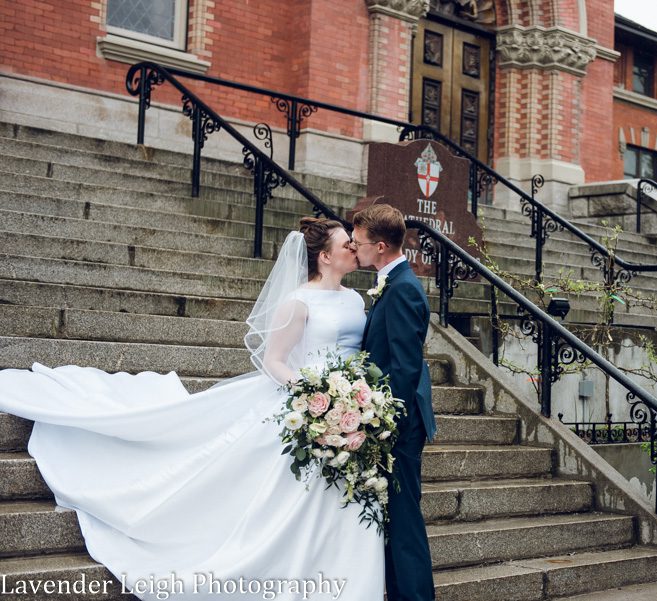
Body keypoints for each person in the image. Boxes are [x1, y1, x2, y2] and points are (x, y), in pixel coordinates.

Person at [0, 217, 384, 600]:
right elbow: (274, 361)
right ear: (324, 256)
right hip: (306, 405)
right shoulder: (299, 301)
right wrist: (313, 395)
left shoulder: (355, 299)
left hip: (349, 409)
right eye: (346, 244)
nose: (354, 248)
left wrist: (353, 398)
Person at [351, 204, 436, 601]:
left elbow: (404, 367)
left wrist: (386, 426)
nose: (355, 248)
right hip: (392, 420)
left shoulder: (402, 289)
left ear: (381, 246)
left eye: (359, 243)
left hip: (399, 425)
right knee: (395, 520)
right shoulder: (394, 281)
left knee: (404, 522)